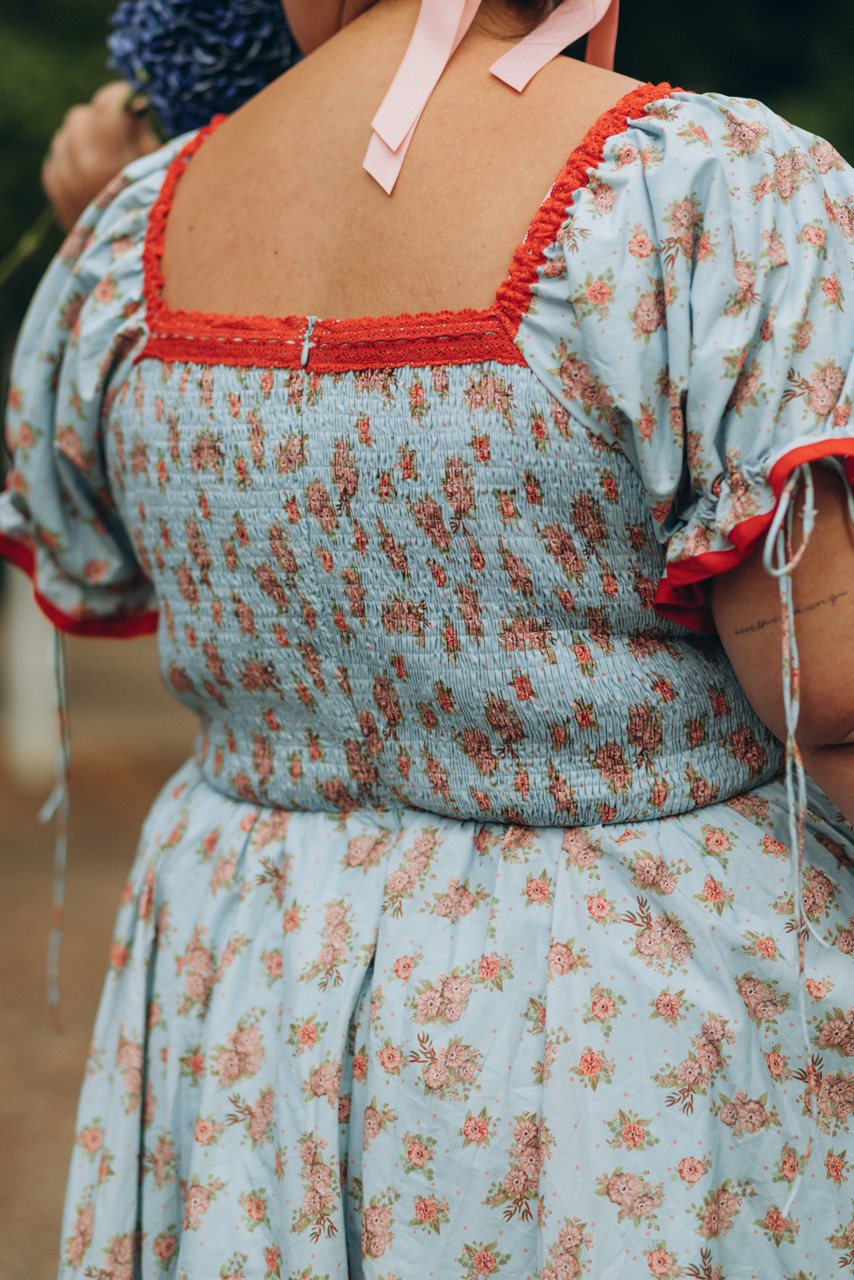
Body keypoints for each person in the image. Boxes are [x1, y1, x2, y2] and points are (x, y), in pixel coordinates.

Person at [2, 1, 854, 1276]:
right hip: (611, 1029)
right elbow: (827, 692)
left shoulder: (135, 229)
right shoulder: (704, 192)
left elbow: (117, 543)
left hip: (250, 1001)